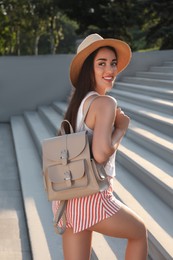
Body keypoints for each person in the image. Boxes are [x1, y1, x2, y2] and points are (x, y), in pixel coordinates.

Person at [52, 33, 148, 260]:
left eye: (113, 63)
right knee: (139, 233)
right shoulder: (105, 103)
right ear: (89, 68)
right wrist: (122, 128)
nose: (110, 69)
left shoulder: (79, 103)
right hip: (93, 198)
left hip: (68, 197)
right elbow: (101, 153)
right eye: (101, 63)